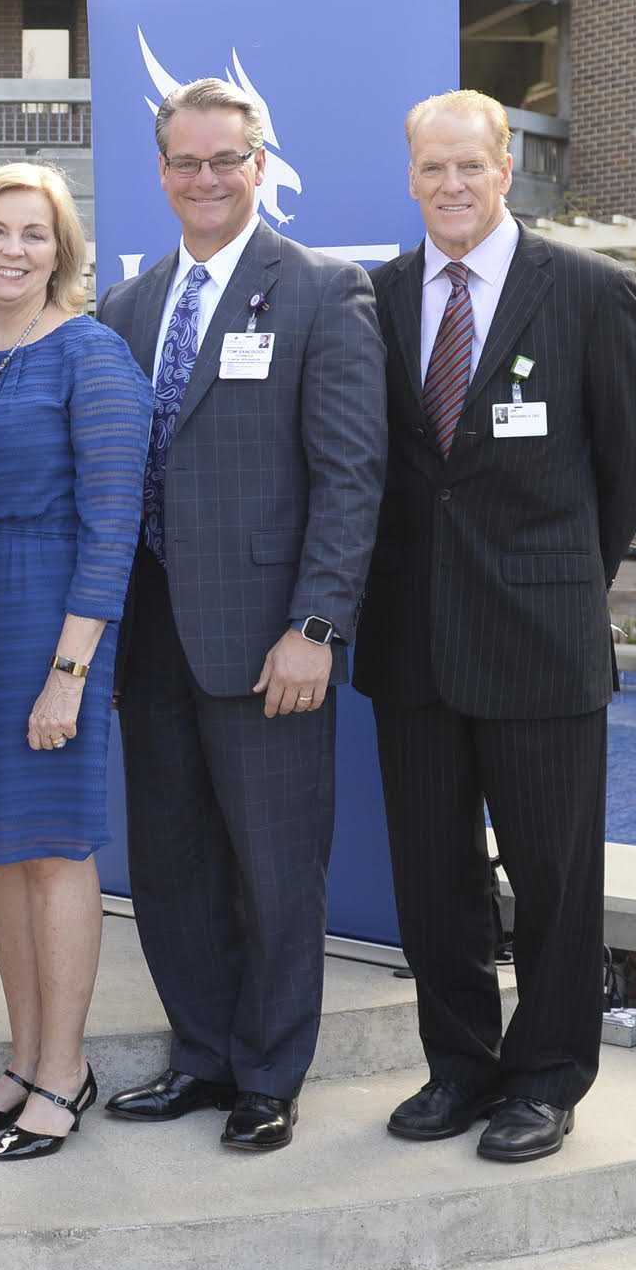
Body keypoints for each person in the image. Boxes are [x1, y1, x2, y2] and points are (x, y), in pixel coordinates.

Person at [357, 88, 636, 1165]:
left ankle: (545, 1077)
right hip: (412, 648)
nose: (450, 185)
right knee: (431, 881)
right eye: (431, 168)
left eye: (469, 167)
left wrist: (561, 580)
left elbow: (630, 467)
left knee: (555, 880)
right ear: (412, 178)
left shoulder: (585, 292)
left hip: (541, 645)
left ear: (506, 170)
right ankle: (459, 1067)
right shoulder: (381, 299)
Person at [99, 77, 386, 1154]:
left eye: (228, 160)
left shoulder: (321, 291)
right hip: (151, 634)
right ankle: (202, 1054)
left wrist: (317, 625)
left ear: (261, 166)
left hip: (270, 640)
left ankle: (269, 1073)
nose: (207, 179)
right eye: (188, 161)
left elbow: (351, 475)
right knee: (171, 864)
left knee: (275, 866)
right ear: (162, 171)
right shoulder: (127, 308)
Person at [0, 164, 149, 1163]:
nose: (13, 249)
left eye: (36, 234)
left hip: (51, 620)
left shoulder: (92, 355)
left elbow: (113, 525)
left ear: (63, 253)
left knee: (53, 843)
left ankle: (65, 1067)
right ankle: (21, 1058)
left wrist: (69, 670)